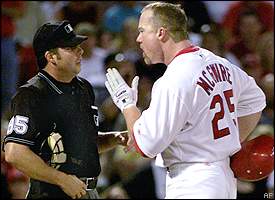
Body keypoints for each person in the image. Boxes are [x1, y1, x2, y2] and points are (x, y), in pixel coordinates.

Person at [104, 2, 266, 199]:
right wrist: (224, 144)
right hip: (222, 178)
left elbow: (145, 145)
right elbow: (255, 100)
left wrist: (127, 105)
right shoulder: (219, 62)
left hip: (193, 182)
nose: (138, 39)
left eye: (142, 31)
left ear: (161, 33)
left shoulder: (174, 79)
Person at [2, 20, 128, 199]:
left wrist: (115, 138)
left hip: (88, 191)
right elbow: (15, 152)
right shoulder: (32, 94)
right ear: (51, 57)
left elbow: (81, 144)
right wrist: (62, 179)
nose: (80, 51)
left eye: (78, 46)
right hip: (52, 192)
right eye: (70, 48)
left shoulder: (83, 88)